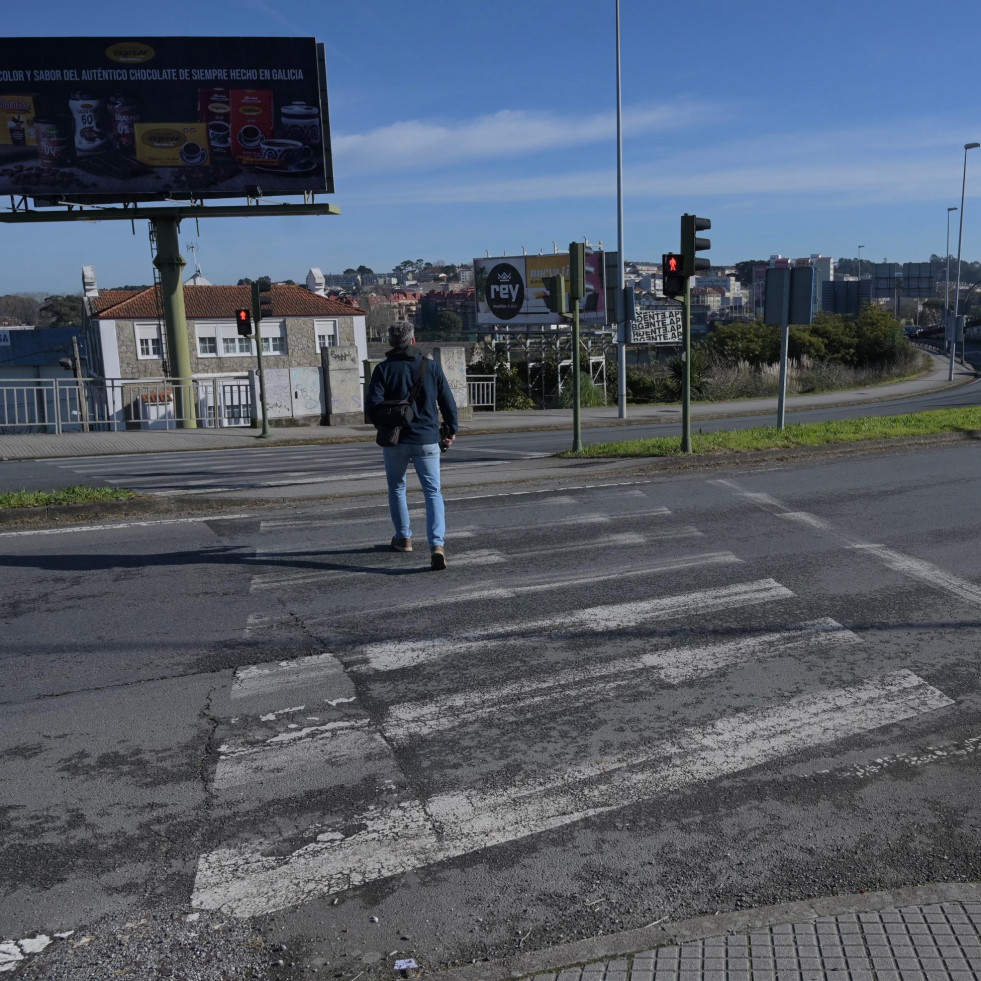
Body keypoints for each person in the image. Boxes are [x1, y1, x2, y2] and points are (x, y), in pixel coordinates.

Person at [366, 322, 458, 570]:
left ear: (390, 343)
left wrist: (385, 427)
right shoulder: (431, 367)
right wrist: (451, 431)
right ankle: (437, 545)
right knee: (433, 492)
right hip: (427, 439)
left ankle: (404, 538)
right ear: (414, 340)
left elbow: (371, 408)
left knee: (397, 488)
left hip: (395, 441)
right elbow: (448, 403)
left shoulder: (383, 370)